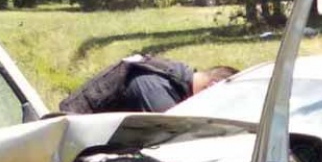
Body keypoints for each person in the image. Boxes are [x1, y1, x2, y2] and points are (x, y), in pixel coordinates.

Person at [59, 55, 237, 114]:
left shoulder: (175, 78)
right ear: (214, 86)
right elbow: (171, 148)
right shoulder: (157, 90)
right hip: (69, 147)